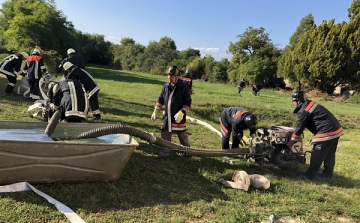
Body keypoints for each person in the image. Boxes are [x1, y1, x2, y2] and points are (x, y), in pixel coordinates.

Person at [287, 90, 343, 180]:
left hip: (327, 131)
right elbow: (315, 117)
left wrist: (292, 141)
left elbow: (299, 127)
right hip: (336, 129)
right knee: (330, 154)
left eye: (293, 101)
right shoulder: (309, 104)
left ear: (297, 101)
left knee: (317, 153)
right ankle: (327, 174)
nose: (293, 103)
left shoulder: (304, 110)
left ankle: (310, 175)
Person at [151, 65, 192, 158]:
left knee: (182, 137)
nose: (169, 78)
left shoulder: (183, 87)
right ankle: (164, 154)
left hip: (178, 118)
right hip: (167, 117)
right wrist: (155, 112)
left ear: (177, 76)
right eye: (168, 75)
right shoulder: (165, 86)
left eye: (171, 76)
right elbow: (160, 99)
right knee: (165, 135)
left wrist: (182, 112)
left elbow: (188, 102)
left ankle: (187, 152)